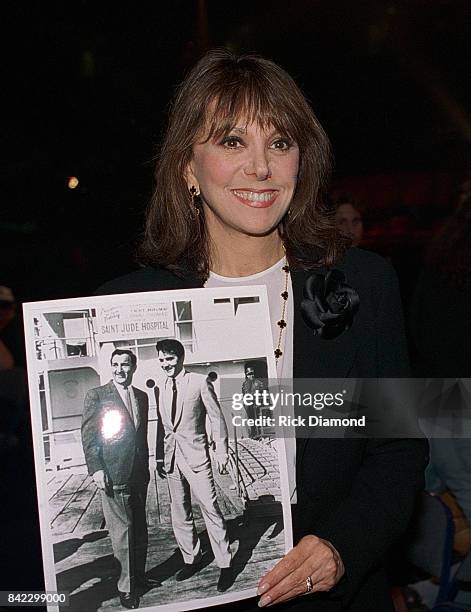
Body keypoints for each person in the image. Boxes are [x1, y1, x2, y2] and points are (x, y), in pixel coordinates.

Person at [96, 50, 428, 611]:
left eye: (280, 143)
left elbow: (398, 452)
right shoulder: (123, 304)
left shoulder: (363, 284)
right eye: (232, 142)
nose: (260, 168)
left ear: (303, 160)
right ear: (186, 168)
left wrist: (341, 549)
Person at [81, 348, 158, 609]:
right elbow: (90, 437)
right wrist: (96, 469)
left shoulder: (141, 396)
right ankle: (126, 589)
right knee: (122, 534)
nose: (119, 369)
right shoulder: (98, 396)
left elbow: (140, 436)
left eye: (125, 364)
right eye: (115, 364)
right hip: (113, 475)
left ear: (133, 367)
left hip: (138, 474)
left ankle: (139, 577)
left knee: (140, 530)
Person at [154, 338, 233, 592]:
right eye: (162, 359)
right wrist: (159, 457)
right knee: (180, 512)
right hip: (172, 459)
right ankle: (192, 558)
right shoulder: (161, 387)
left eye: (170, 358)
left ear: (180, 358)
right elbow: (163, 427)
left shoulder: (199, 382)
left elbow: (217, 418)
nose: (165, 364)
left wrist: (221, 450)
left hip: (197, 457)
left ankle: (226, 564)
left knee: (210, 508)